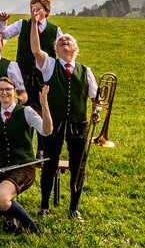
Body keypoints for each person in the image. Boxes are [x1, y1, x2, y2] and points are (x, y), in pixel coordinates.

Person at [32, 27, 98, 221]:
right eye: (60, 41)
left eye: (68, 40)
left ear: (75, 48)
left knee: (78, 167)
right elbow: (36, 50)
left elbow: (95, 99)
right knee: (49, 165)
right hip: (54, 124)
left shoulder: (86, 71)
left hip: (79, 125)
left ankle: (74, 208)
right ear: (56, 49)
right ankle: (44, 206)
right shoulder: (50, 65)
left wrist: (97, 112)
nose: (63, 41)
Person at [0, 79, 53, 235]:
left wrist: (45, 105)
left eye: (8, 89)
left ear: (14, 91)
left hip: (23, 167)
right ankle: (12, 217)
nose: (4, 92)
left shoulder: (26, 111)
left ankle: (32, 227)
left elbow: (47, 131)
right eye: (0, 90)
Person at [0, 0, 62, 108]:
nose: (34, 12)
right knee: (21, 109)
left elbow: (61, 52)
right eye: (32, 9)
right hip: (23, 76)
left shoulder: (55, 30)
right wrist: (2, 22)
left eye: (38, 9)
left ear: (47, 11)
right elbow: (4, 35)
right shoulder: (22, 24)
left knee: (42, 110)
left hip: (43, 79)